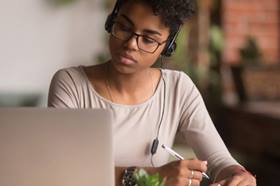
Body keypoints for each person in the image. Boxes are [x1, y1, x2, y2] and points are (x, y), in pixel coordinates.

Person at [48, 0, 257, 185]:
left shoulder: (178, 88)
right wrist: (151, 177)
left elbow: (220, 162)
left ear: (167, 46)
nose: (130, 44)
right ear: (111, 22)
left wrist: (239, 175)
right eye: (123, 27)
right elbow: (62, 169)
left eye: (148, 39)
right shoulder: (71, 84)